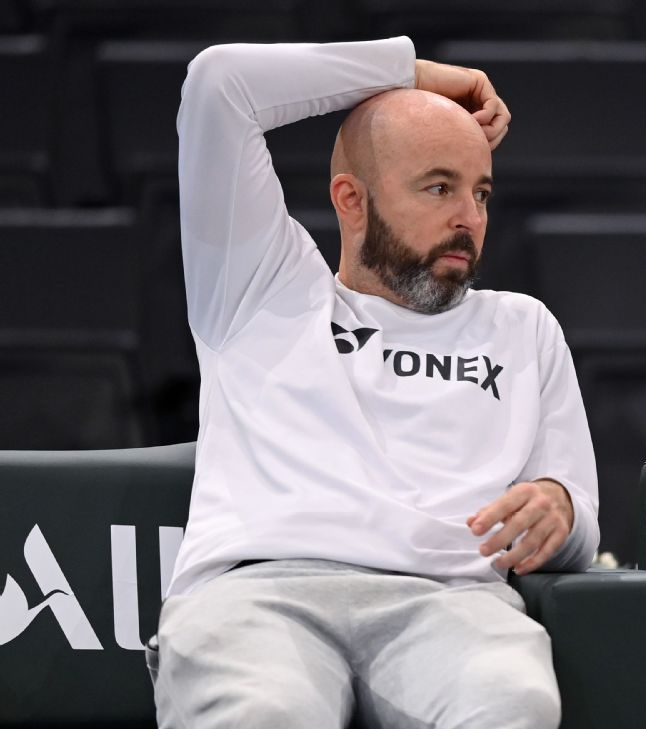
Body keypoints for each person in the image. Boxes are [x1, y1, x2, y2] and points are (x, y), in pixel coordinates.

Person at [148, 37, 598, 729]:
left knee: (515, 701)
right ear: (351, 200)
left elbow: (577, 523)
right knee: (268, 713)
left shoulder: (523, 327)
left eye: (481, 192)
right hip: (261, 594)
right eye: (439, 187)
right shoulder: (259, 287)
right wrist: (413, 73)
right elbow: (219, 83)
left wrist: (557, 510)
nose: (470, 218)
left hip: (452, 603)